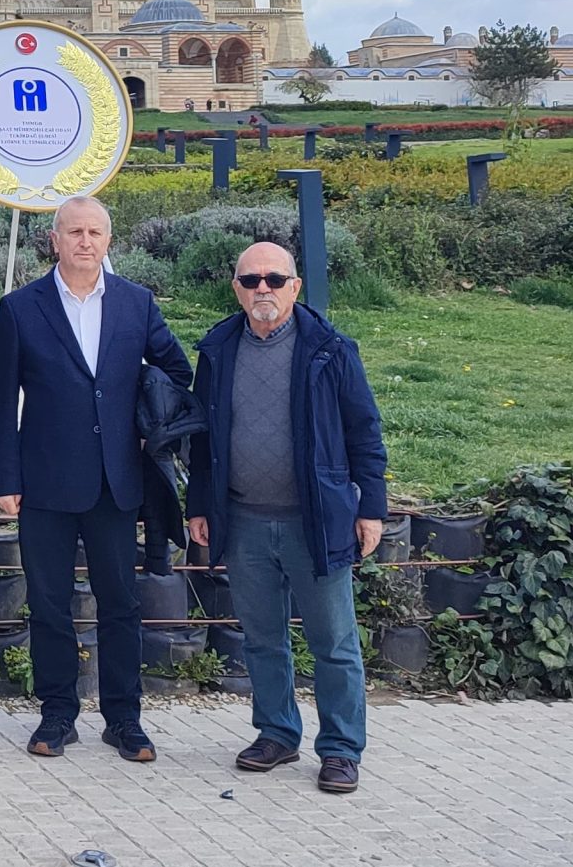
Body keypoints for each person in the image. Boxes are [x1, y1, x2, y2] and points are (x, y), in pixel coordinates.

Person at [0, 195, 193, 765]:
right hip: (44, 480)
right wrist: (5, 477)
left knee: (120, 602)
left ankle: (125, 719)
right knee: (50, 604)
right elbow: (3, 401)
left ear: (109, 240)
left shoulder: (136, 302)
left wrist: (144, 414)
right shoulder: (21, 308)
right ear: (54, 240)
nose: (84, 241)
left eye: (95, 232)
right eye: (73, 231)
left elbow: (175, 372)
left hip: (116, 479)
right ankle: (57, 714)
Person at [187, 241, 388, 796]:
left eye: (275, 279)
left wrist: (371, 507)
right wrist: (199, 505)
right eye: (251, 281)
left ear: (295, 287)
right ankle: (276, 733)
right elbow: (203, 441)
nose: (263, 290)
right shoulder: (219, 349)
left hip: (315, 521)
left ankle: (342, 749)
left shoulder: (331, 350)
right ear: (236, 289)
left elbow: (364, 433)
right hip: (245, 519)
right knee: (262, 639)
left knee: (334, 641)